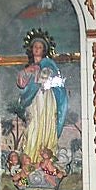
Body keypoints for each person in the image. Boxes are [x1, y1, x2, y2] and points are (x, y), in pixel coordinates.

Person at [17, 31, 68, 163]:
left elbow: (51, 79)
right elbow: (22, 84)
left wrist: (41, 74)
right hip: (34, 100)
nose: (37, 49)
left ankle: (46, 159)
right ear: (31, 49)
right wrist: (27, 71)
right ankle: (30, 159)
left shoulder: (48, 64)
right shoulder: (30, 67)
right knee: (33, 125)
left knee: (46, 123)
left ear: (44, 50)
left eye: (40, 47)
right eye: (35, 47)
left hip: (46, 98)